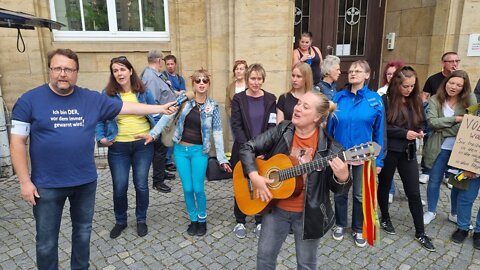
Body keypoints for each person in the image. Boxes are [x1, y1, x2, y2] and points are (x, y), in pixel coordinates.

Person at [9, 48, 176, 270]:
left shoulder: (90, 98)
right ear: (50, 69)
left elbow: (127, 107)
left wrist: (160, 108)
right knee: (46, 242)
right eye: (57, 68)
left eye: (68, 69)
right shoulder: (29, 100)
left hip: (85, 182)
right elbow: (17, 142)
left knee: (83, 233)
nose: (62, 74)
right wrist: (24, 182)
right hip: (46, 185)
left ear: (76, 72)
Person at [239, 91, 351, 269]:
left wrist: (343, 176)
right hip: (275, 209)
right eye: (298, 103)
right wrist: (255, 176)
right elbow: (247, 148)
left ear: (317, 117)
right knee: (264, 259)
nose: (297, 108)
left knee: (306, 264)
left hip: (308, 215)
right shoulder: (283, 129)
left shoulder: (332, 148)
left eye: (305, 107)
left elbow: (338, 190)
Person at [138, 68, 231, 237]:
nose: (201, 83)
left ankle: (202, 220)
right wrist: (153, 134)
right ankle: (193, 219)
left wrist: (222, 158)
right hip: (180, 151)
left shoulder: (213, 107)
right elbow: (167, 116)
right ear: (193, 84)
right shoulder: (184, 101)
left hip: (199, 152)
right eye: (198, 80)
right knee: (187, 188)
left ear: (209, 84)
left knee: (198, 188)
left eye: (204, 80)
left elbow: (217, 133)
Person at [95, 56, 157, 239]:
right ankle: (121, 221)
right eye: (115, 70)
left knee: (141, 185)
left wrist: (153, 134)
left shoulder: (144, 92)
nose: (119, 73)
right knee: (120, 187)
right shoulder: (107, 94)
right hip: (118, 147)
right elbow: (99, 118)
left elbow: (158, 112)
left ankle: (141, 220)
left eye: (122, 69)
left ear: (130, 71)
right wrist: (101, 138)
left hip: (142, 146)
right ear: (112, 74)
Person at [327, 60, 385, 248]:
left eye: (358, 71)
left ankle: (358, 228)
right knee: (340, 191)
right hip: (340, 153)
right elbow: (329, 128)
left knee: (360, 194)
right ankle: (340, 224)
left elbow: (379, 132)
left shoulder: (375, 100)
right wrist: (329, 151)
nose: (353, 74)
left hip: (364, 154)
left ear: (367, 75)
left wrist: (379, 161)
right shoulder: (338, 98)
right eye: (351, 71)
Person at [376, 66, 435, 251]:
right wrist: (404, 133)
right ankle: (385, 217)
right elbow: (381, 128)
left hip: (408, 152)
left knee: (414, 192)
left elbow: (423, 123)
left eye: (412, 86)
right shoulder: (385, 100)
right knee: (384, 186)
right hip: (390, 151)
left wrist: (420, 131)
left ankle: (420, 231)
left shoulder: (415, 100)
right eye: (405, 86)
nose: (409, 89)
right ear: (396, 84)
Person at [422, 70, 477, 225]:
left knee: (457, 181)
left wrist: (445, 125)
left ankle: (454, 213)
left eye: (459, 85)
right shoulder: (435, 99)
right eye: (451, 83)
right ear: (446, 82)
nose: (454, 87)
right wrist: (457, 119)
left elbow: (471, 125)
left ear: (464, 87)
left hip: (461, 149)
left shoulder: (469, 99)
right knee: (434, 180)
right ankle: (431, 211)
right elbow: (432, 122)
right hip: (439, 147)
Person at [230, 63, 277, 239]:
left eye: (259, 79)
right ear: (247, 78)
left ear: (263, 80)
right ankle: (240, 220)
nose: (256, 82)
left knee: (261, 184)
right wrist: (249, 149)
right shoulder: (238, 99)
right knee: (241, 184)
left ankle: (259, 220)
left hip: (264, 151)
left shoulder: (271, 99)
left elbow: (272, 126)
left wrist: (263, 148)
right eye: (253, 78)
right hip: (243, 150)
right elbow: (236, 125)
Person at [420, 52, 460, 184]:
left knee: (452, 144)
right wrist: (426, 109)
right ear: (443, 63)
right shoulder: (433, 79)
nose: (455, 64)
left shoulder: (461, 79)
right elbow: (424, 96)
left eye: (457, 61)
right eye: (451, 61)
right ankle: (426, 170)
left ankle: (448, 173)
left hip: (453, 117)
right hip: (435, 117)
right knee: (430, 141)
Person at [141, 49, 176, 193]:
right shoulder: (150, 77)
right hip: (159, 118)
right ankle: (158, 181)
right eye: (162, 60)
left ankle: (161, 172)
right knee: (160, 150)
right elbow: (153, 103)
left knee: (162, 148)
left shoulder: (155, 75)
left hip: (165, 117)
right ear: (159, 61)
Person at [450, 104, 480, 249]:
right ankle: (463, 227)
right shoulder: (471, 111)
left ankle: (479, 231)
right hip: (470, 165)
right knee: (465, 198)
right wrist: (468, 164)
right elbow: (463, 140)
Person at [377, 59, 405, 203]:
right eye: (388, 74)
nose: (390, 77)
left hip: (403, 140)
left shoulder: (407, 93)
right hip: (388, 136)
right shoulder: (381, 93)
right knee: (387, 168)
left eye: (393, 74)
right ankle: (389, 190)